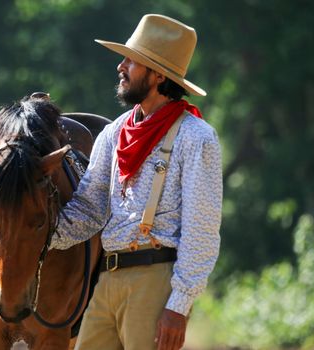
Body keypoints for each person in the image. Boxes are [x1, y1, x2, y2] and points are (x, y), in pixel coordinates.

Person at [52, 14, 222, 350]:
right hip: (108, 278)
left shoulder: (196, 137)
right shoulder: (114, 133)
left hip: (155, 278)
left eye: (132, 60)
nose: (121, 66)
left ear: (158, 74)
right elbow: (89, 208)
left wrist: (179, 305)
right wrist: (39, 237)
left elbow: (201, 228)